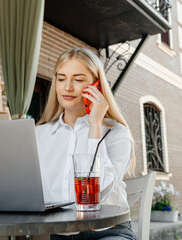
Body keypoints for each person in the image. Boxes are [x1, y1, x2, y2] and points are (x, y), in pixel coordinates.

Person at [35, 48, 137, 240]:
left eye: (78, 79)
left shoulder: (117, 133)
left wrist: (95, 125)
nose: (67, 87)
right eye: (61, 78)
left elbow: (97, 195)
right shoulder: (40, 135)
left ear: (96, 86)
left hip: (108, 232)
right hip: (60, 233)